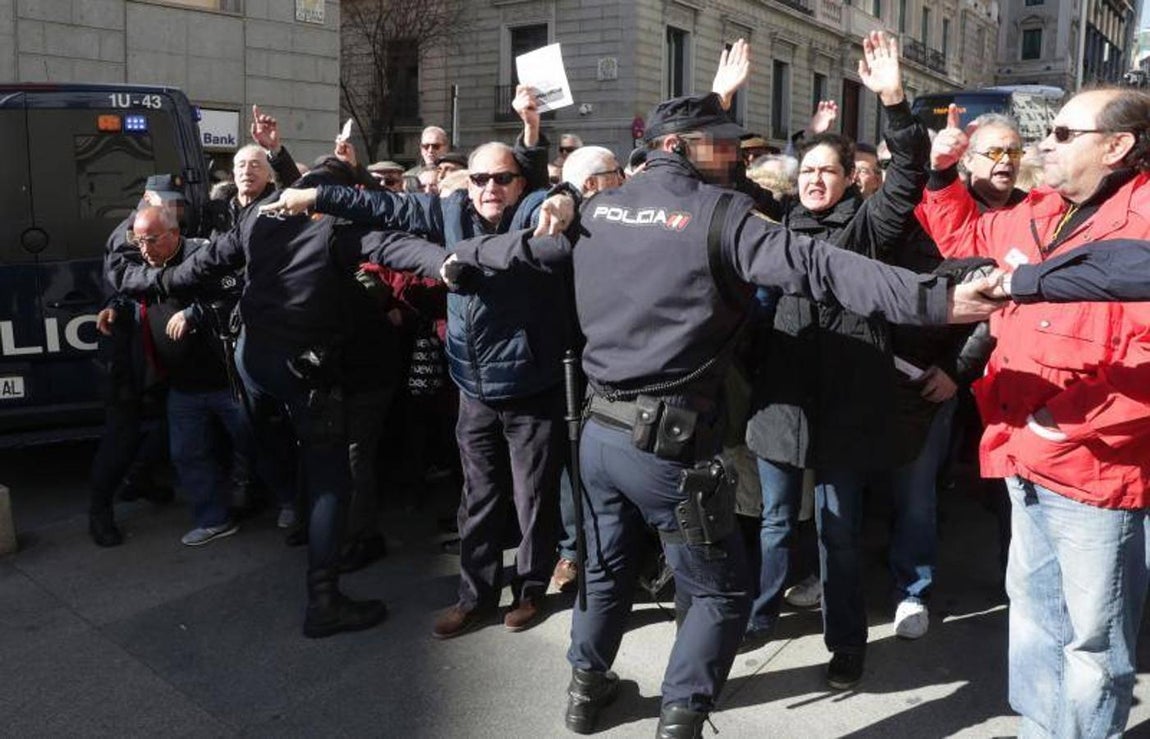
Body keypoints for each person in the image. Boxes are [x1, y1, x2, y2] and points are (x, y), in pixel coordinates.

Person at [444, 37, 1004, 737]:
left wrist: (460, 258)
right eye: (724, 145)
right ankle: (681, 716)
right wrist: (940, 303)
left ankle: (585, 692)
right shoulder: (723, 217)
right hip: (667, 445)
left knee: (609, 567)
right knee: (717, 588)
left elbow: (524, 247)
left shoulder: (601, 206)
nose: (736, 155)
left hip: (600, 436)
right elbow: (821, 268)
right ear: (683, 146)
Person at [263, 86, 570, 640]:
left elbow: (553, 203)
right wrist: (315, 198)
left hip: (529, 385)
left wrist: (555, 185)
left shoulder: (534, 210)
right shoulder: (448, 209)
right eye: (479, 179)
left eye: (502, 178)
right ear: (466, 184)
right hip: (472, 386)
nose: (490, 189)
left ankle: (529, 591)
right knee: (476, 499)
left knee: (533, 497)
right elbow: (381, 204)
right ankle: (473, 596)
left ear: (520, 183)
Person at [919, 88, 1150, 737]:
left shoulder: (1143, 219)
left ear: (1117, 146)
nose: (1042, 146)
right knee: (1033, 612)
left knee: (1092, 639)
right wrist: (940, 172)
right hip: (1023, 456)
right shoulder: (1041, 209)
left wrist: (1068, 421)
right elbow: (962, 235)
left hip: (1097, 471)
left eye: (1063, 134)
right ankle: (1040, 727)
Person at [740, 31, 930, 687]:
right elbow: (716, 188)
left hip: (848, 407)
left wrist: (896, 103)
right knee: (771, 522)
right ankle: (759, 616)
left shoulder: (868, 226)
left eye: (829, 170)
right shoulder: (778, 226)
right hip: (784, 401)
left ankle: (846, 643)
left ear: (850, 180)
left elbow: (908, 175)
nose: (816, 179)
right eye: (808, 170)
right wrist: (724, 100)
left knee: (838, 534)